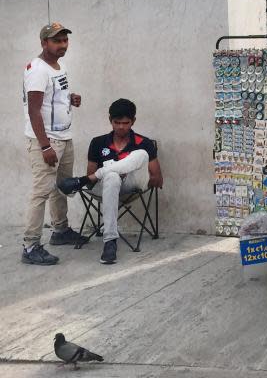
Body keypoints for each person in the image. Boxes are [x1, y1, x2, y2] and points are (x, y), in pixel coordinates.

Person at [58, 99, 162, 264]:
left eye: (126, 123)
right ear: (110, 121)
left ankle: (84, 180)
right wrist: (114, 171)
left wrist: (127, 170)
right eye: (117, 122)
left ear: (133, 121)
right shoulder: (98, 142)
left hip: (132, 186)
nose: (121, 127)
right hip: (105, 188)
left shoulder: (144, 142)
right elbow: (91, 178)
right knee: (112, 177)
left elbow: (156, 178)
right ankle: (110, 241)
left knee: (141, 154)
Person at [22, 22, 89, 265]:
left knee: (61, 186)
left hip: (63, 136)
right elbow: (33, 110)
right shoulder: (38, 69)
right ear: (44, 43)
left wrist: (70, 98)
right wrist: (45, 146)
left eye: (65, 40)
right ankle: (30, 246)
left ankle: (60, 230)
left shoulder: (59, 65)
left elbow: (54, 97)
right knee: (41, 192)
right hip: (48, 141)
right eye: (57, 41)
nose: (63, 45)